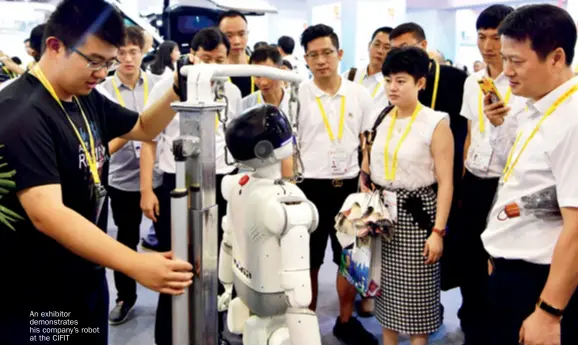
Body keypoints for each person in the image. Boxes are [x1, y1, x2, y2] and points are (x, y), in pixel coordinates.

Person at [0, 1, 193, 345]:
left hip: (86, 276)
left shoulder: (84, 96)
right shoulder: (20, 113)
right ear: (55, 46)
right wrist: (134, 263)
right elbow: (48, 214)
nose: (102, 73)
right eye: (94, 61)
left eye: (109, 62)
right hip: (39, 294)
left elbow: (145, 127)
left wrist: (177, 89)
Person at [482, 4, 578, 345]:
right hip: (512, 268)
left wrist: (549, 312)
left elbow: (577, 227)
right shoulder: (535, 104)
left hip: (540, 282)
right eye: (504, 59)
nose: (506, 71)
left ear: (555, 58)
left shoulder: (572, 120)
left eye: (517, 61)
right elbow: (525, 180)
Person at [142, 27, 242, 345]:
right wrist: (146, 190)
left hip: (223, 181)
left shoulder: (232, 91)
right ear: (192, 56)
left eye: (219, 60)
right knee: (178, 262)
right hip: (180, 184)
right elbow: (148, 138)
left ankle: (211, 328)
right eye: (206, 59)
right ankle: (169, 334)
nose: (212, 66)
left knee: (217, 261)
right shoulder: (168, 85)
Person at [361, 45, 453, 345]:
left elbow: (446, 182)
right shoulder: (380, 116)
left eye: (401, 80)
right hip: (382, 213)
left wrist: (438, 231)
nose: (392, 87)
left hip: (418, 213)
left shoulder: (436, 122)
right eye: (388, 79)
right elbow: (368, 162)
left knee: (418, 295)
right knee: (385, 291)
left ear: (420, 83)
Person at [298, 24, 377, 345]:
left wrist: (367, 179)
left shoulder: (359, 94)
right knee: (308, 261)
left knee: (351, 260)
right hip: (309, 189)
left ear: (339, 54)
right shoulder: (297, 94)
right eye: (313, 55)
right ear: (305, 59)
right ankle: (306, 323)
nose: (321, 61)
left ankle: (345, 321)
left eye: (327, 53)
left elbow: (367, 141)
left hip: (351, 187)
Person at [457, 5, 519, 345]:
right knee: (469, 256)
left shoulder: (520, 85)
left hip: (505, 183)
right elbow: (469, 133)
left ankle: (496, 330)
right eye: (482, 37)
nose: (488, 45)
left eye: (496, 37)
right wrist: (465, 171)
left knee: (500, 261)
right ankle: (471, 324)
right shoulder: (473, 82)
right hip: (474, 180)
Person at [389, 22, 467, 292]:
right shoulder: (396, 85)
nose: (401, 55)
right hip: (411, 175)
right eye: (395, 49)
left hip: (447, 172)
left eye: (406, 47)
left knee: (445, 246)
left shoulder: (455, 79)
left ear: (423, 46)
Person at [99, 26, 164, 325]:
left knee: (168, 236)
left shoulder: (160, 85)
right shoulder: (102, 90)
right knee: (124, 240)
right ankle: (125, 296)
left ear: (143, 53)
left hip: (161, 176)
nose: (127, 58)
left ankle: (172, 297)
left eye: (133, 52)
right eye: (122, 52)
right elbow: (101, 146)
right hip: (122, 178)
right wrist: (135, 127)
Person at [242, 46, 295, 179]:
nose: (263, 82)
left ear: (282, 71)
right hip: (257, 176)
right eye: (257, 76)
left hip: (293, 175)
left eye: (268, 75)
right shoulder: (246, 105)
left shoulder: (296, 103)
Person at [343, 27, 392, 114]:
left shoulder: (391, 85)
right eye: (376, 44)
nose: (380, 51)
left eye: (386, 47)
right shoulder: (350, 76)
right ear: (369, 46)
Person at [218, 10, 256, 97]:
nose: (236, 41)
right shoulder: (215, 68)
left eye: (241, 34)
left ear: (247, 33)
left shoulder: (259, 66)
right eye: (229, 36)